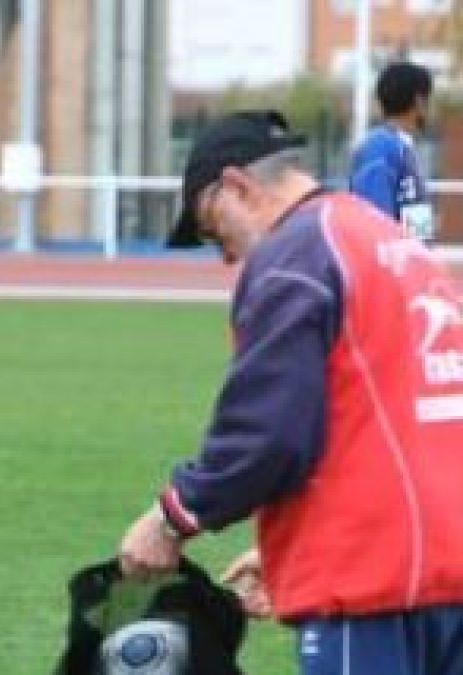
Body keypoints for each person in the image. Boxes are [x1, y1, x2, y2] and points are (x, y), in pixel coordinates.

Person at [120, 109, 463, 675]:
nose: (227, 257)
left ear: (237, 186)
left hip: (371, 579)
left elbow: (267, 434)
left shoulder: (295, 255)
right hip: (442, 563)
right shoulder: (392, 242)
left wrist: (172, 518)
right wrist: (293, 544)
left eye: (214, 230)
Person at [349, 61, 434, 240]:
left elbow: (417, 226)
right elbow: (375, 221)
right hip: (390, 263)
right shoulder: (380, 146)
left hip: (409, 261)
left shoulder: (402, 146)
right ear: (419, 101)